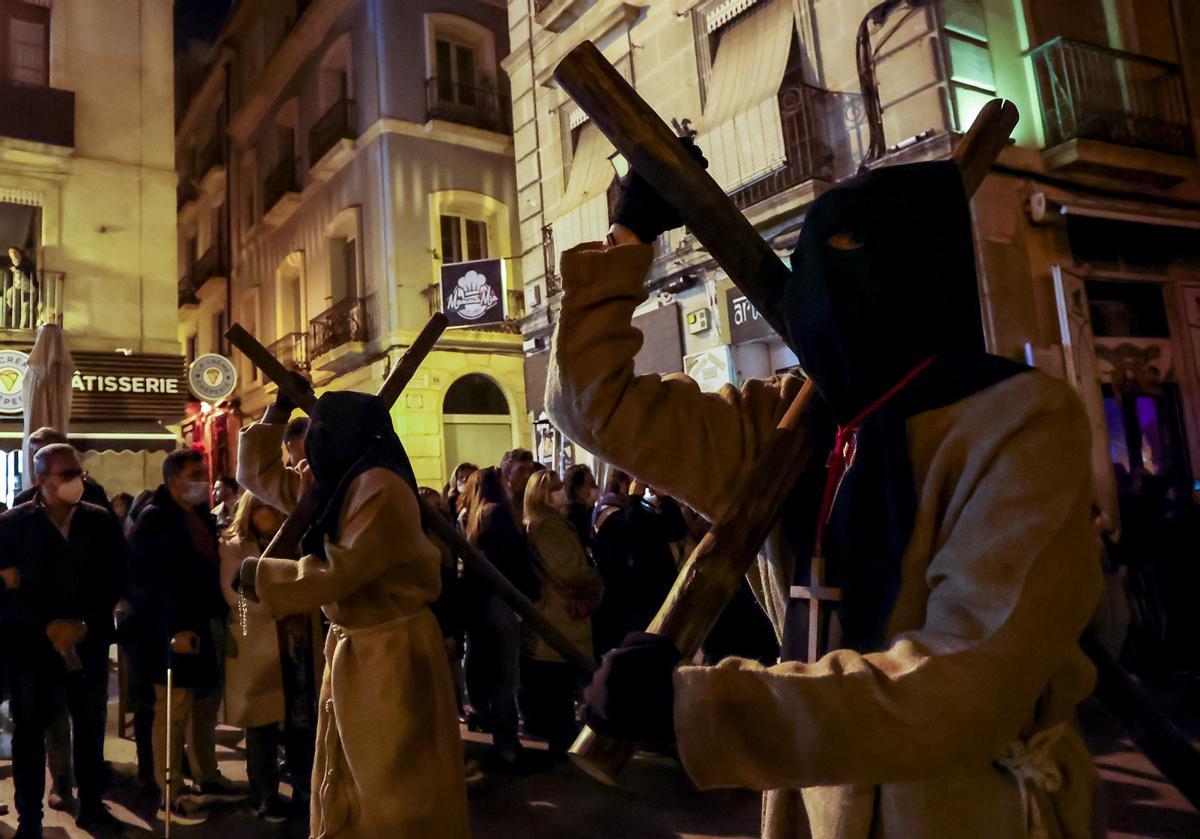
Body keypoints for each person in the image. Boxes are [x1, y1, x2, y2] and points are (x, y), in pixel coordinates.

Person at [548, 157, 1101, 837]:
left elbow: (962, 686)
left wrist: (696, 709)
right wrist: (629, 235)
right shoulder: (782, 426)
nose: (825, 283)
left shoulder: (1018, 423)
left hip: (968, 812)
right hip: (814, 810)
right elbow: (592, 404)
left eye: (849, 251)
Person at [237, 385, 470, 838]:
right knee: (351, 776)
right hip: (358, 648)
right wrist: (278, 410)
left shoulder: (380, 488)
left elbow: (342, 571)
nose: (311, 444)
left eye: (320, 431)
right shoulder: (337, 483)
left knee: (392, 787)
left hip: (392, 653)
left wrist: (260, 576)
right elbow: (258, 476)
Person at [0, 443, 127, 836]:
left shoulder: (100, 521)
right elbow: (6, 592)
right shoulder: (13, 524)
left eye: (79, 473)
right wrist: (45, 626)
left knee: (89, 730)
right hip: (32, 649)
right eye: (66, 474)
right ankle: (30, 819)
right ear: (41, 478)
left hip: (86, 643)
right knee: (30, 734)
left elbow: (115, 579)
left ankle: (91, 805)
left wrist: (85, 623)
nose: (77, 481)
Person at [127, 449, 246, 826]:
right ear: (172, 479)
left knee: (205, 707)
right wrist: (170, 630)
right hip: (174, 631)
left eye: (204, 472)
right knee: (172, 713)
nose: (202, 480)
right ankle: (170, 790)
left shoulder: (196, 517)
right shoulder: (154, 520)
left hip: (204, 623)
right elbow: (147, 583)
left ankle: (206, 775)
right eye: (194, 474)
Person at [219, 492, 321, 823]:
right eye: (268, 508)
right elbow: (237, 594)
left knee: (301, 720)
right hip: (258, 641)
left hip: (297, 642)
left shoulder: (296, 543)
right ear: (252, 510)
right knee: (261, 724)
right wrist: (280, 602)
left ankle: (305, 786)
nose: (277, 514)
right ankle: (263, 794)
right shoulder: (235, 547)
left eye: (279, 508)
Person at [461, 466, 539, 771]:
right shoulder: (499, 515)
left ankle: (500, 737)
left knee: (491, 672)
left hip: (482, 605)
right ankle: (508, 744)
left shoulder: (475, 517)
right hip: (502, 604)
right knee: (505, 676)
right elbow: (511, 563)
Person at [520, 470, 601, 755]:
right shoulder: (545, 526)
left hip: (559, 613)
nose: (560, 493)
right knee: (560, 682)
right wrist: (592, 575)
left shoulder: (551, 523)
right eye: (552, 488)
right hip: (559, 613)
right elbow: (567, 568)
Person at [14, 428, 113, 511]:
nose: (41, 458)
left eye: (47, 452)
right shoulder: (23, 500)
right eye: (36, 453)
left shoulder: (92, 493)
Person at [562, 464, 599, 553]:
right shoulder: (572, 518)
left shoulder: (586, 511)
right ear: (577, 489)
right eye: (591, 484)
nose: (596, 488)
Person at [4, 245, 37, 329]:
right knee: (12, 299)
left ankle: (23, 327)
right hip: (17, 288)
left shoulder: (26, 262)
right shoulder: (10, 265)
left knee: (26, 308)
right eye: (11, 253)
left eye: (14, 252)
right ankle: (15, 325)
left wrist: (17, 269)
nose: (13, 254)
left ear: (19, 253)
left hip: (28, 288)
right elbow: (9, 278)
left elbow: (28, 271)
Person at [499, 448, 535, 512]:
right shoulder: (499, 507)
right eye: (521, 471)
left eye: (530, 470)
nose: (528, 475)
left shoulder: (535, 501)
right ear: (506, 475)